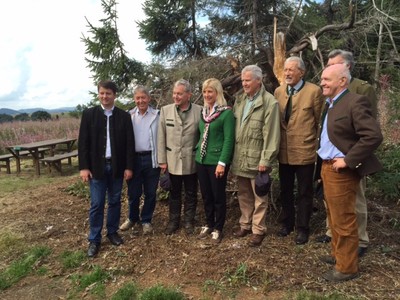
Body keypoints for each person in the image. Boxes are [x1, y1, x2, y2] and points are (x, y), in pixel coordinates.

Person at [318, 64, 382, 282]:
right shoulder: (332, 103)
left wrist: (348, 160)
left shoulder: (354, 101)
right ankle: (338, 255)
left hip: (342, 171)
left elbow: (372, 136)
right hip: (327, 167)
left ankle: (347, 268)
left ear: (342, 81)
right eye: (322, 79)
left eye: (327, 79)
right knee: (334, 217)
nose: (322, 82)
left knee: (344, 219)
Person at [78, 80, 135, 257]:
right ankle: (94, 239)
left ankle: (112, 232)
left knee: (115, 201)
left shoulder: (124, 116)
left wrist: (129, 167)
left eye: (108, 93)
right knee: (96, 204)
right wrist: (84, 167)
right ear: (99, 94)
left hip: (117, 166)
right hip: (96, 168)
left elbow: (129, 144)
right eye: (102, 93)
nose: (105, 96)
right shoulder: (89, 115)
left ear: (114, 95)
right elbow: (83, 143)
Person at [274, 56, 324, 244]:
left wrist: (318, 147)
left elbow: (320, 122)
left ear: (301, 72)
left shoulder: (314, 91)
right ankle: (287, 223)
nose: (287, 73)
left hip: (305, 151)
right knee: (285, 189)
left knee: (304, 192)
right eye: (285, 70)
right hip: (284, 151)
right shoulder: (278, 91)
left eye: (291, 70)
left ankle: (303, 228)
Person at [231, 65, 281, 247]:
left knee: (260, 196)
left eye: (247, 80)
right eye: (243, 80)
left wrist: (266, 159)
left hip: (257, 158)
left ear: (258, 81)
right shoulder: (240, 100)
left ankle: (258, 229)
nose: (244, 83)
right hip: (240, 157)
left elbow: (272, 134)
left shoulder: (269, 102)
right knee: (244, 194)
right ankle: (245, 224)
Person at [157, 79, 202, 235]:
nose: (175, 96)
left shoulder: (200, 111)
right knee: (174, 193)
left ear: (188, 95)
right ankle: (173, 221)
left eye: (179, 94)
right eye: (174, 93)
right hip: (172, 161)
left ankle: (189, 221)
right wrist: (162, 160)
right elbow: (160, 136)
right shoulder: (165, 110)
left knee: (191, 193)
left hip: (192, 160)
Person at [195, 78, 235, 243]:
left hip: (216, 161)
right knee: (206, 195)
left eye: (210, 91)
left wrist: (222, 162)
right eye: (204, 91)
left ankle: (218, 227)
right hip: (201, 160)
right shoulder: (203, 113)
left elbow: (228, 140)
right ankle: (209, 222)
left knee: (218, 196)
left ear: (217, 92)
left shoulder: (226, 113)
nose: (206, 94)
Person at [120, 86, 160, 235]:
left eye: (143, 97)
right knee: (133, 192)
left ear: (149, 98)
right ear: (134, 99)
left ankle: (146, 220)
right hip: (134, 160)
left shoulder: (157, 115)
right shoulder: (128, 116)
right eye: (138, 98)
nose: (141, 100)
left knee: (150, 192)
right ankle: (132, 218)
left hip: (151, 158)